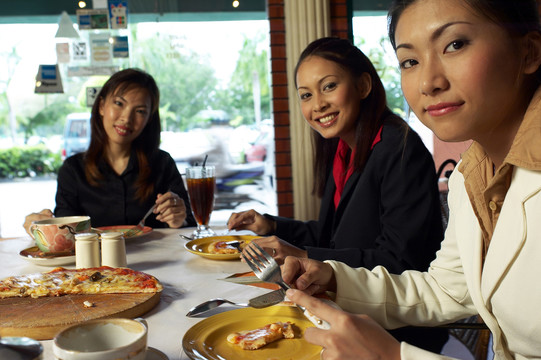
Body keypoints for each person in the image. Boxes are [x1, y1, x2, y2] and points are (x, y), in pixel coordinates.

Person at [280, 0, 541, 359]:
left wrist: (392, 355)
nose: (428, 83)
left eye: (455, 44)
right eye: (410, 62)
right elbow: (446, 291)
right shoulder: (470, 178)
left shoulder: (397, 147)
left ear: (529, 52)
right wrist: (334, 277)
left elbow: (398, 255)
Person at [228, 37, 448, 351]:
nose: (317, 104)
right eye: (306, 95)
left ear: (362, 86)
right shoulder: (345, 149)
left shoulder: (398, 150)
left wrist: (306, 256)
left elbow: (400, 263)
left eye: (329, 86)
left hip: (395, 334)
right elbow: (331, 236)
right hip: (346, 310)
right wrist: (271, 227)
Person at [24, 68, 196, 233]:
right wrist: (40, 227)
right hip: (94, 263)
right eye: (119, 103)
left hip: (157, 262)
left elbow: (189, 227)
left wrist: (179, 220)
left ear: (149, 119)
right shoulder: (73, 170)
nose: (126, 118)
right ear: (101, 106)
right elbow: (64, 232)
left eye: (140, 111)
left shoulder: (162, 163)